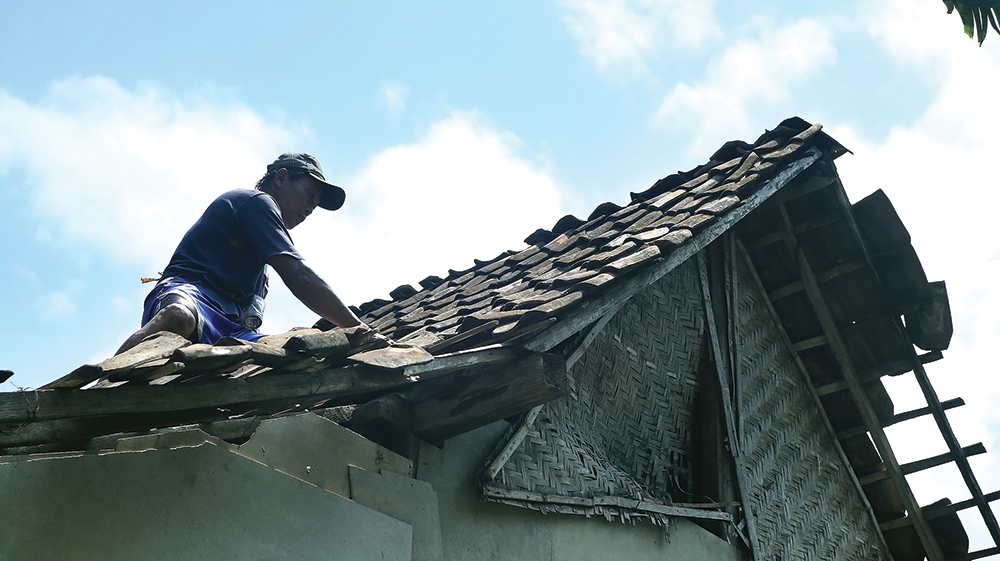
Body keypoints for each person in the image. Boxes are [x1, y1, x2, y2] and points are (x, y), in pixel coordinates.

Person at [116, 153, 371, 354]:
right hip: (191, 296)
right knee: (178, 318)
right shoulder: (256, 202)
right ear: (281, 178)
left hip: (231, 327)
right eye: (309, 195)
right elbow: (299, 276)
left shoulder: (261, 273)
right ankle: (98, 383)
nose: (310, 209)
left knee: (295, 350)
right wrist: (360, 330)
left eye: (315, 205)